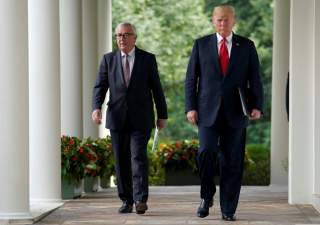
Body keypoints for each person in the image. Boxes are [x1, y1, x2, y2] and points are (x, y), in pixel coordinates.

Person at [185, 5, 263, 221]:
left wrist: (257, 106)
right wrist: (190, 107)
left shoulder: (246, 46)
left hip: (236, 112)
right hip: (206, 111)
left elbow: (255, 78)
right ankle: (206, 195)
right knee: (206, 152)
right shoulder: (201, 45)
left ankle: (228, 209)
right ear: (213, 21)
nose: (222, 23)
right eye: (219, 20)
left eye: (226, 20)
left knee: (232, 161)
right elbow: (192, 79)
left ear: (233, 21)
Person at [92, 22, 168, 215]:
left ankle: (140, 199)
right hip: (117, 118)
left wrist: (162, 114)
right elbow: (100, 86)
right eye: (118, 35)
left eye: (126, 35)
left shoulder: (147, 59)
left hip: (141, 118)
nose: (121, 39)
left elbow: (156, 88)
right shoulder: (108, 59)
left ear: (135, 37)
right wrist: (96, 108)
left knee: (138, 157)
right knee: (121, 160)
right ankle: (126, 200)